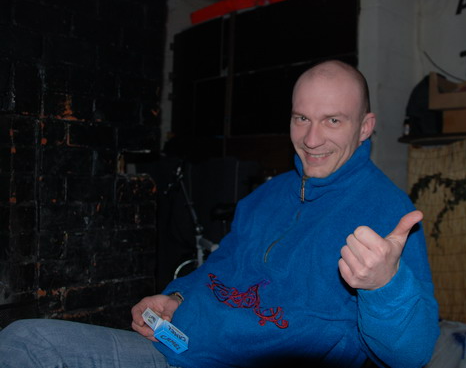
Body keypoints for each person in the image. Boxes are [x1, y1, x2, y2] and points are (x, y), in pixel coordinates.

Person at [0, 60, 439, 367]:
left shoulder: (388, 213)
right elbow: (223, 267)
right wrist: (176, 297)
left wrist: (385, 286)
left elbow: (412, 354)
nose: (311, 139)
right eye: (301, 118)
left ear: (365, 127)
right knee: (26, 341)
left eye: (333, 121)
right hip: (178, 348)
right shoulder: (267, 196)